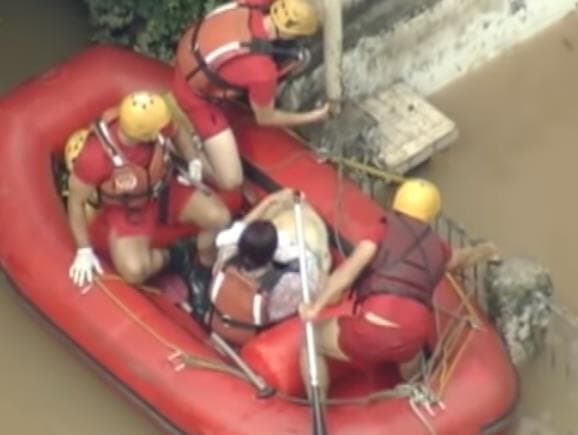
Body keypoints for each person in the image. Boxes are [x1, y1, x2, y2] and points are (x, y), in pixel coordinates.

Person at [298, 178, 498, 398]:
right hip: (413, 339)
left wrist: (315, 307)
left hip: (372, 332)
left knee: (310, 340)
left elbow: (348, 272)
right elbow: (464, 258)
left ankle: (317, 404)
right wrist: (486, 250)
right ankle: (415, 389)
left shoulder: (380, 231)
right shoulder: (439, 248)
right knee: (412, 351)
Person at [66, 91, 231, 289]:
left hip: (166, 189)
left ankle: (203, 266)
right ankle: (176, 255)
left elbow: (177, 131)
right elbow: (76, 201)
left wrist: (193, 160)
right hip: (129, 209)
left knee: (219, 216)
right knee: (134, 271)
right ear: (147, 134)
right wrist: (83, 250)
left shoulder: (152, 120)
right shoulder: (94, 158)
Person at [172, 0, 330, 191]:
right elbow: (265, 118)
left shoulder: (252, 5)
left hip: (191, 55)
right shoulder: (262, 71)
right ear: (291, 33)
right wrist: (312, 117)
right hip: (194, 96)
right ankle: (181, 144)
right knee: (231, 180)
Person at [197, 188, 331, 345]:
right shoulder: (287, 285)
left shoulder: (225, 255)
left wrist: (270, 201)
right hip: (251, 334)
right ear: (273, 253)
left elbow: (240, 227)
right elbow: (318, 287)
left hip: (218, 319)